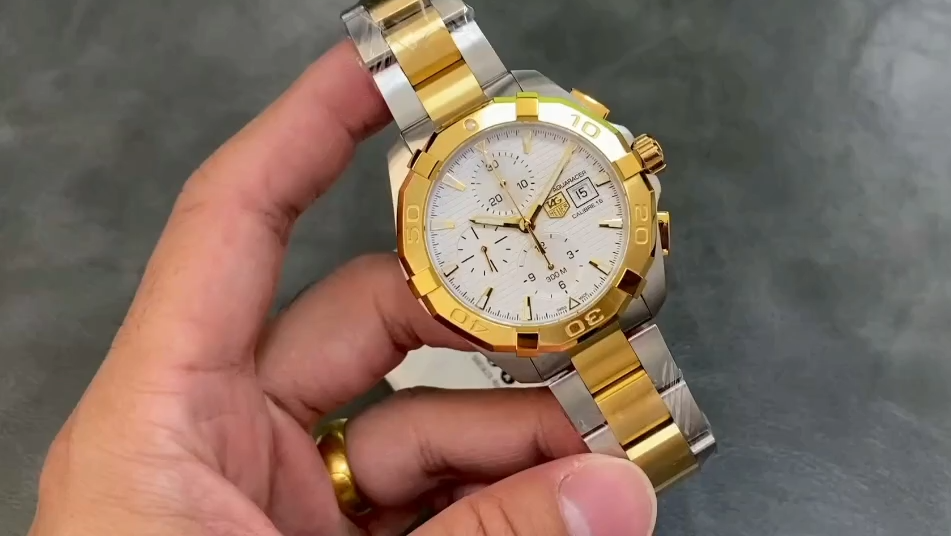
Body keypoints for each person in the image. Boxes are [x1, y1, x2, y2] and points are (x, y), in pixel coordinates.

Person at [26, 42, 658, 536]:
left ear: (637, 161)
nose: (526, 224)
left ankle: (658, 448)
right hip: (538, 305)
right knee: (626, 449)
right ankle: (655, 454)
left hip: (566, 295)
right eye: (514, 223)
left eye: (532, 218)